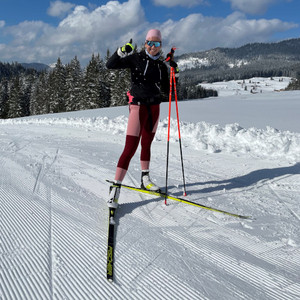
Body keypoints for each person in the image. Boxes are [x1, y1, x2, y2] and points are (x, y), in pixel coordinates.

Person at [106, 29, 178, 208]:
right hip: (138, 107)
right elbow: (110, 65)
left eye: (156, 43)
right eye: (149, 43)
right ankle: (115, 188)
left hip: (154, 107)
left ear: (160, 45)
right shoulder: (135, 58)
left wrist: (173, 71)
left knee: (147, 144)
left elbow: (171, 92)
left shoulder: (161, 66)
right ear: (145, 43)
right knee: (130, 147)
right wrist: (122, 51)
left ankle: (145, 178)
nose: (152, 46)